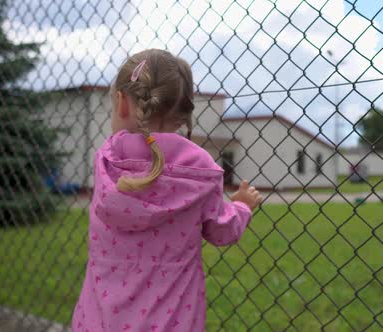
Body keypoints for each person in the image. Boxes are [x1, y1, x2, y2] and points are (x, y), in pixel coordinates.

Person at [71, 49, 262, 332]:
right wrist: (242, 206)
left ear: (122, 103)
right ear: (183, 115)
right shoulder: (200, 169)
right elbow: (222, 231)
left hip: (98, 320)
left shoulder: (108, 161)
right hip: (172, 321)